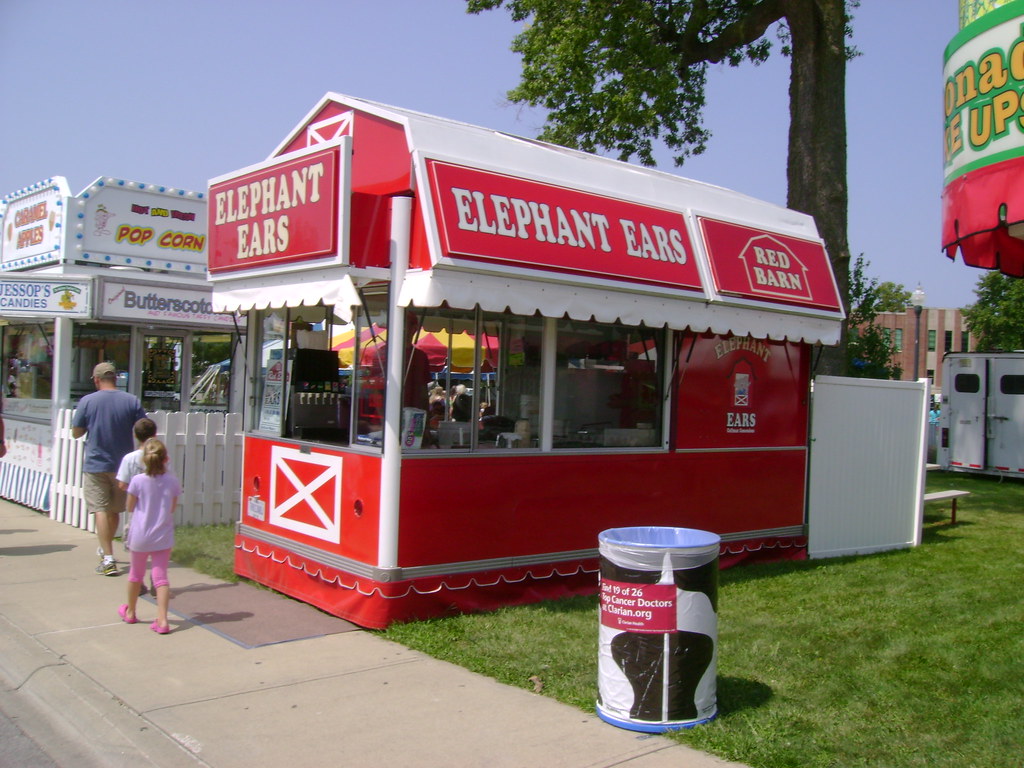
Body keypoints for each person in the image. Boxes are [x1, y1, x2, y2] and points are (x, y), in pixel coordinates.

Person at [71, 362, 147, 576]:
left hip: (96, 463)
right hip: (123, 465)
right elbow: (144, 429)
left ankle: (108, 557)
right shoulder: (131, 401)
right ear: (115, 379)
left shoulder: (87, 401)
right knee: (114, 510)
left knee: (100, 509)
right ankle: (106, 548)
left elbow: (76, 432)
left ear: (96, 380)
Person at [118, 439, 181, 634]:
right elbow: (172, 507)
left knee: (136, 574)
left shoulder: (137, 481)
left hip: (140, 534)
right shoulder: (173, 481)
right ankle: (162, 619)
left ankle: (131, 611)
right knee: (160, 577)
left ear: (144, 460)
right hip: (162, 534)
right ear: (165, 459)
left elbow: (129, 506)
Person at [116, 417, 159, 594]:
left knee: (137, 548)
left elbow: (122, 484)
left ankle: (138, 581)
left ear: (135, 435)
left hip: (138, 510)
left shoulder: (129, 458)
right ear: (155, 435)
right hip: (157, 508)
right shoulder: (161, 457)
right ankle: (157, 580)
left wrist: (133, 490)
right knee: (158, 547)